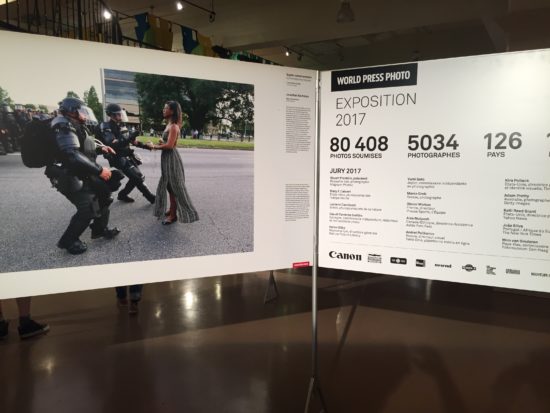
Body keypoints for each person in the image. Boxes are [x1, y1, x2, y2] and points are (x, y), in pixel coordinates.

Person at [46, 97, 121, 254]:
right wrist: (100, 170)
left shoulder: (75, 125)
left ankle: (99, 229)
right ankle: (69, 241)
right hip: (68, 175)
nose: (85, 115)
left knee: (104, 196)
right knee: (87, 208)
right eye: (82, 112)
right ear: (72, 112)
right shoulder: (62, 126)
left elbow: (83, 148)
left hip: (82, 172)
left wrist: (101, 149)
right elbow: (72, 155)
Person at [148, 101, 199, 225]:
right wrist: (162, 142)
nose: (163, 110)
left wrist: (154, 146)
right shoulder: (169, 125)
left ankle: (173, 215)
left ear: (172, 111)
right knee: (169, 186)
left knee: (173, 187)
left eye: (166, 108)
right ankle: (172, 209)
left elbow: (170, 146)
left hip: (172, 159)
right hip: (167, 158)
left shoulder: (174, 126)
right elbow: (168, 143)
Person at [97, 104, 155, 204]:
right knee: (137, 178)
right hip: (117, 157)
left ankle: (122, 195)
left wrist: (146, 146)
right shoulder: (106, 127)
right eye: (119, 114)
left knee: (137, 177)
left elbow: (133, 141)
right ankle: (151, 198)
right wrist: (129, 138)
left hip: (127, 154)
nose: (121, 116)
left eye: (121, 114)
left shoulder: (121, 125)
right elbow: (112, 144)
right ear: (112, 115)